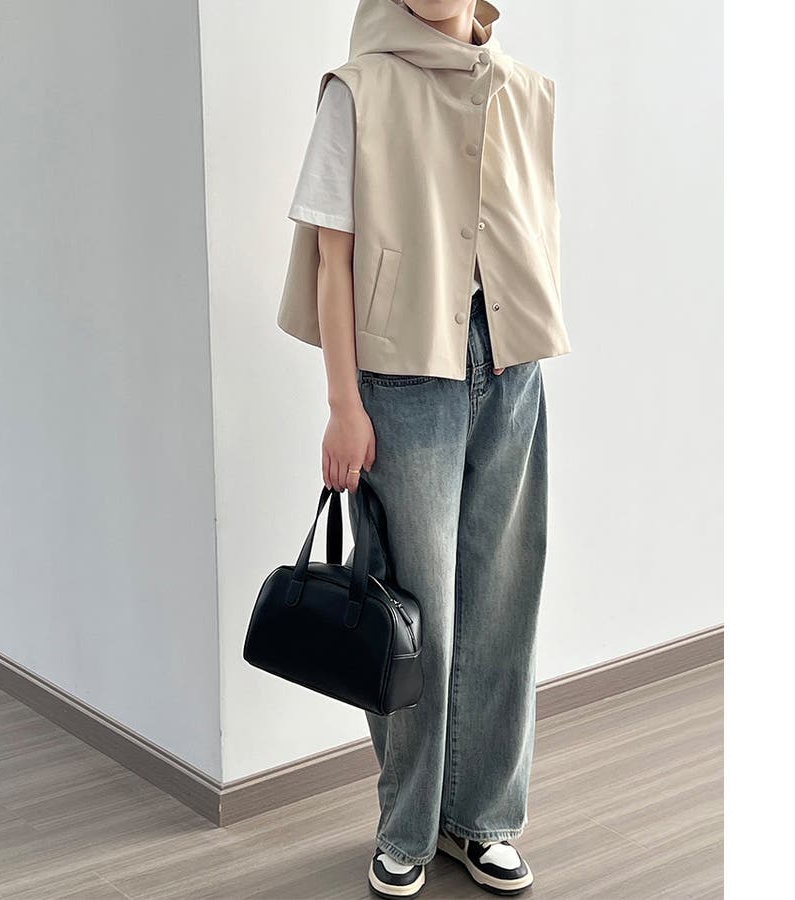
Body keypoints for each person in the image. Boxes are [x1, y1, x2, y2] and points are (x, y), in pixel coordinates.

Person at [278, 1, 571, 896]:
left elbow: (530, 227)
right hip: (402, 381)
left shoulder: (523, 89)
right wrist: (343, 404)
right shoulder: (357, 89)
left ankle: (483, 819)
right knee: (417, 619)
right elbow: (332, 259)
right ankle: (407, 825)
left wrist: (521, 327)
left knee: (504, 602)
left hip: (509, 368)